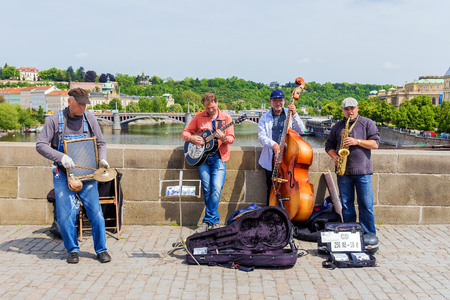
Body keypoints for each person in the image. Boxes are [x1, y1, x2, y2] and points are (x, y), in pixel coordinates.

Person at [36, 87, 111, 264]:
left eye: (85, 104)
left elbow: (100, 142)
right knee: (65, 214)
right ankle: (72, 250)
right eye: (79, 104)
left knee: (96, 214)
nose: (83, 108)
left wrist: (103, 159)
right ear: (69, 101)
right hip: (63, 174)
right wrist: (60, 157)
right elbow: (40, 145)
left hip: (87, 174)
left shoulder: (89, 118)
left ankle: (101, 249)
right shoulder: (55, 120)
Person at [325, 97, 380, 235]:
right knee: (346, 206)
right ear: (343, 110)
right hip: (343, 173)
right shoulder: (337, 126)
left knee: (366, 206)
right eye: (346, 109)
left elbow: (375, 144)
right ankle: (350, 234)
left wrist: (357, 141)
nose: (350, 112)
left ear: (357, 108)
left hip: (363, 171)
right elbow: (328, 146)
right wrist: (335, 156)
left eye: (352, 108)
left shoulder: (367, 123)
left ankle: (369, 236)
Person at [181, 93, 235, 233]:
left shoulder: (226, 118)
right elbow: (185, 132)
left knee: (216, 188)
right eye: (206, 108)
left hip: (219, 158)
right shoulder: (199, 117)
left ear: (217, 103)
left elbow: (231, 138)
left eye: (211, 107)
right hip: (202, 159)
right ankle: (215, 222)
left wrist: (224, 138)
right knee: (207, 189)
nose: (209, 110)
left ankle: (206, 221)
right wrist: (192, 139)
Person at [258, 89, 306, 206]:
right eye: (275, 100)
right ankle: (270, 213)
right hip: (271, 157)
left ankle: (287, 213)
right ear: (270, 101)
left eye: (280, 100)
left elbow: (302, 130)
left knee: (287, 187)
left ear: (284, 101)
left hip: (288, 157)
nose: (278, 103)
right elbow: (261, 136)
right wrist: (273, 144)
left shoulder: (290, 114)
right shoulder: (264, 117)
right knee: (271, 187)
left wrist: (295, 114)